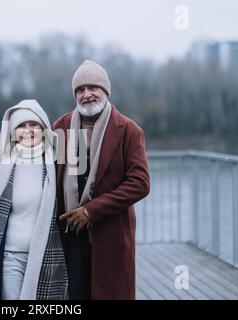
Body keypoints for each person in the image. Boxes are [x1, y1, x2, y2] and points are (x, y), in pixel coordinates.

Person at [52, 60, 150, 300]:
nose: (86, 94)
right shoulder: (60, 128)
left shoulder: (128, 130)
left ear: (105, 91)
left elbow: (140, 183)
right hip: (70, 234)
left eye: (92, 88)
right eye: (80, 90)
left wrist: (90, 211)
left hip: (111, 236)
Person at [0, 99, 67, 300]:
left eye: (34, 125)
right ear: (13, 132)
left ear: (43, 128)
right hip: (10, 256)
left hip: (46, 256)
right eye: (21, 126)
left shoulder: (57, 164)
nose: (28, 130)